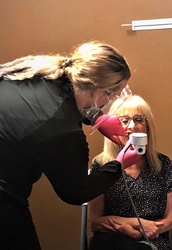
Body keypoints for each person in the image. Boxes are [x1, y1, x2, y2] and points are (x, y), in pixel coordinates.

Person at [0, 41, 133, 249]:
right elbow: (75, 192)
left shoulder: (43, 71)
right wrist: (119, 164)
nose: (114, 100)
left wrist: (96, 118)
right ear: (101, 90)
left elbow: (66, 101)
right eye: (115, 94)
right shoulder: (62, 129)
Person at [88, 95, 172, 250]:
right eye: (124, 121)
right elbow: (96, 222)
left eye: (138, 120)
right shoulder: (102, 165)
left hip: (152, 240)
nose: (131, 126)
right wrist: (136, 225)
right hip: (111, 240)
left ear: (147, 127)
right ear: (112, 128)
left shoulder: (163, 165)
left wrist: (148, 231)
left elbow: (170, 220)